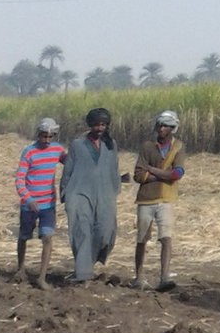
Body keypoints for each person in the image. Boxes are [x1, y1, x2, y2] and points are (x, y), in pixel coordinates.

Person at [59, 108, 121, 284]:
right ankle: (83, 273)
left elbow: (114, 169)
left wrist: (115, 190)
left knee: (105, 231)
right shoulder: (78, 144)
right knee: (82, 230)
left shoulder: (111, 145)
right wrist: (64, 193)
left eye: (103, 124)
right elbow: (68, 169)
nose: (99, 128)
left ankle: (89, 262)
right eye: (96, 124)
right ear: (90, 125)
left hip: (105, 193)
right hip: (79, 193)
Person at [132, 110, 186, 291]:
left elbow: (177, 174)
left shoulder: (178, 146)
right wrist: (165, 175)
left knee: (166, 238)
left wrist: (152, 170)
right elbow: (139, 176)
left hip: (165, 199)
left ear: (172, 129)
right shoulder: (147, 146)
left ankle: (164, 277)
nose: (162, 129)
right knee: (142, 238)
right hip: (147, 199)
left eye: (166, 126)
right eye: (160, 125)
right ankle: (138, 277)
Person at [14, 117, 67, 291]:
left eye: (50, 137)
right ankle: (20, 268)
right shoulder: (29, 152)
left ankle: (42, 277)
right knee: (23, 237)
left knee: (47, 237)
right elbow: (20, 179)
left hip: (48, 205)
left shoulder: (58, 150)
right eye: (44, 136)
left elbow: (72, 162)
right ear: (39, 134)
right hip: (29, 205)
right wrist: (28, 199)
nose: (47, 140)